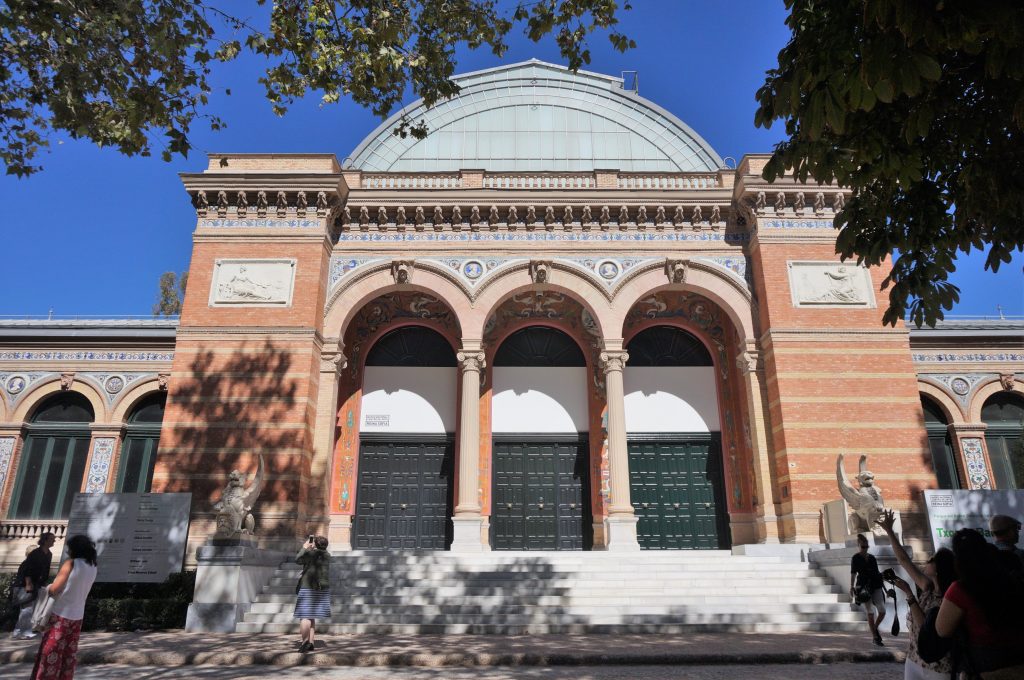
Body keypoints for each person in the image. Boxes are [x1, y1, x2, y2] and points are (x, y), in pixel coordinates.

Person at [876, 509, 956, 679]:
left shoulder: (949, 599)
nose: (927, 561)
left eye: (932, 560)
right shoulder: (927, 587)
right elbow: (904, 561)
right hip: (914, 658)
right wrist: (889, 531)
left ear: (939, 570)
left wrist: (909, 593)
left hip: (938, 665)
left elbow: (926, 626)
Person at [935, 528, 1024, 678]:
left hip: (983, 663)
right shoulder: (1010, 580)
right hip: (1016, 657)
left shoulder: (959, 589)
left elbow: (942, 630)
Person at [29, 534, 98, 680]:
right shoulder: (92, 567)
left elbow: (55, 589)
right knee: (68, 656)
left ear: (75, 549)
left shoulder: (71, 563)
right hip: (78, 615)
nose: (68, 551)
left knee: (51, 653)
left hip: (60, 614)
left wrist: (48, 588)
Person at [11, 532, 55, 640]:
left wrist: (43, 583)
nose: (54, 541)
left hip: (38, 584)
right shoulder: (35, 553)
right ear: (45, 540)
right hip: (26, 585)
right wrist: (28, 583)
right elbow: (28, 569)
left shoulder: (49, 554)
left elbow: (46, 570)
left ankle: (26, 630)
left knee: (33, 608)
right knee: (27, 608)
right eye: (52, 539)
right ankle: (20, 631)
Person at [294, 535, 330, 653]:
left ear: (315, 544)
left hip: (308, 587)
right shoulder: (327, 555)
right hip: (321, 588)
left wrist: (304, 548)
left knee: (304, 616)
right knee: (311, 616)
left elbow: (298, 559)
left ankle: (305, 642)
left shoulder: (311, 554)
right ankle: (311, 642)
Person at [850, 533, 887, 646]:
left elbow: (877, 574)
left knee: (882, 611)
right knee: (870, 611)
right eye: (863, 547)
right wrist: (851, 586)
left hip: (876, 585)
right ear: (859, 546)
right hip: (863, 587)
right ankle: (875, 637)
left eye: (867, 547)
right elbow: (853, 573)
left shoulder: (872, 558)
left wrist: (885, 589)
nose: (865, 549)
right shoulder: (855, 558)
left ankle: (874, 629)